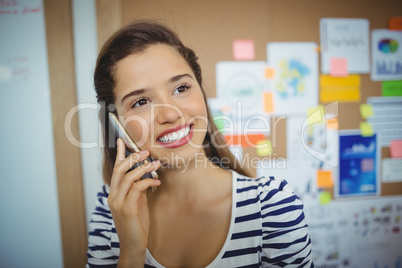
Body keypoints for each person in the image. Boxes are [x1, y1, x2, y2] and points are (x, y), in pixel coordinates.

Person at [87, 20, 314, 268]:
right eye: (141, 102)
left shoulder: (272, 206)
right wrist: (131, 251)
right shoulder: (112, 211)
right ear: (116, 122)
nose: (171, 114)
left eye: (181, 87)